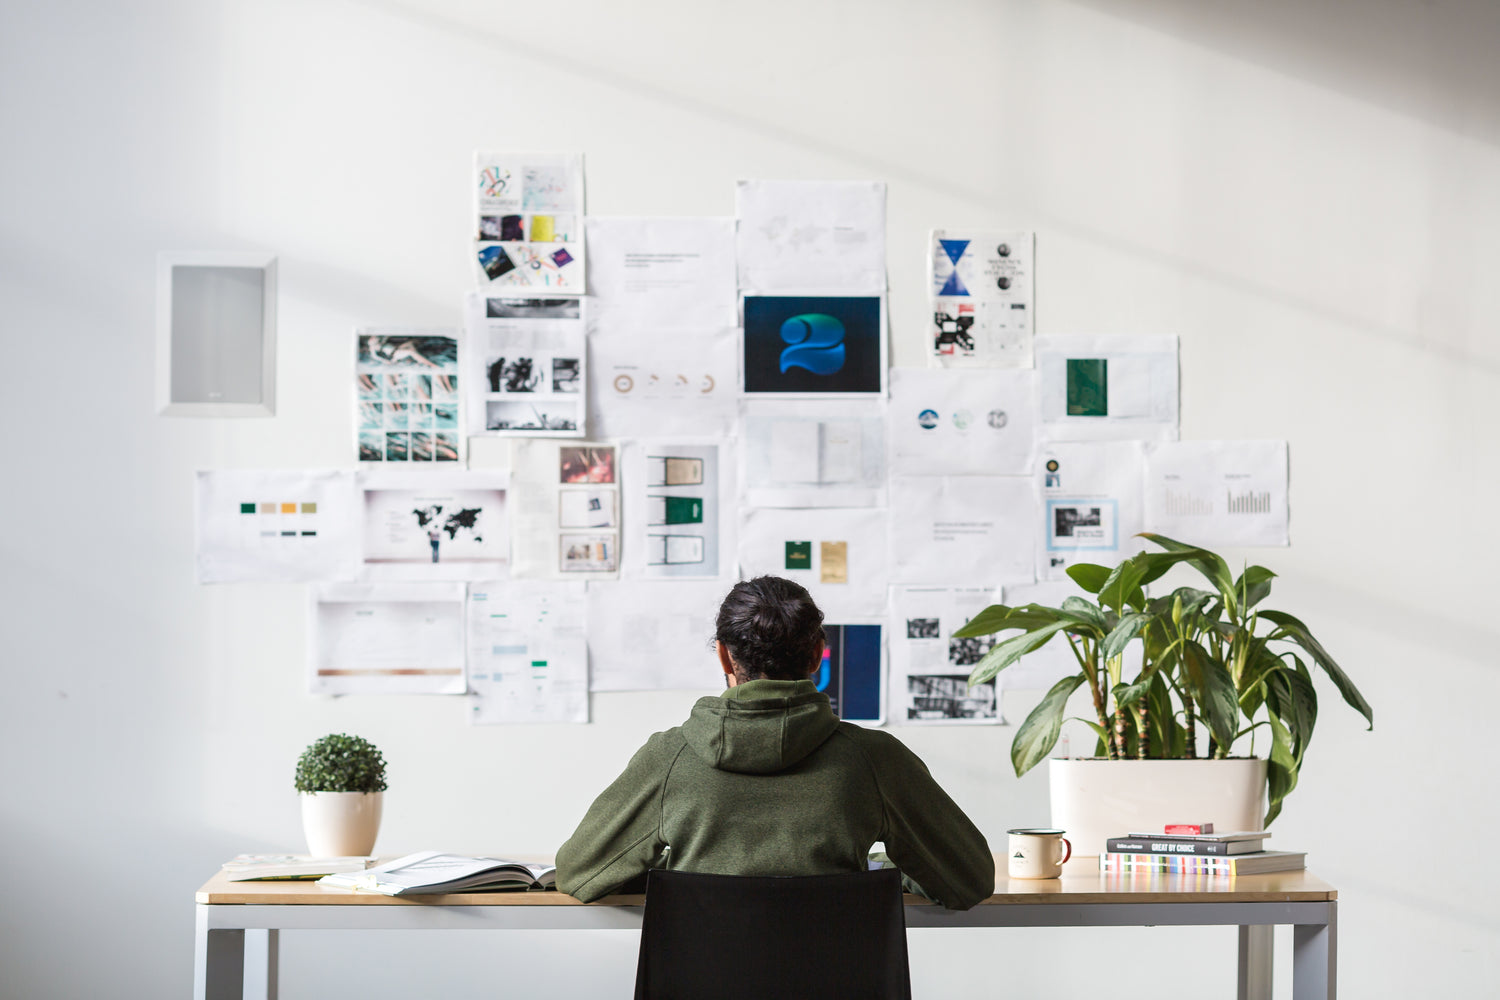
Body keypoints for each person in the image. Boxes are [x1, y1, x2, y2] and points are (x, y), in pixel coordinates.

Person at [555, 576, 994, 910]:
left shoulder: (670, 758)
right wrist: (880, 874)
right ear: (818, 653)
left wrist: (677, 874)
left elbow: (579, 873)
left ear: (725, 654)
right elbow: (968, 880)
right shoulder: (875, 760)